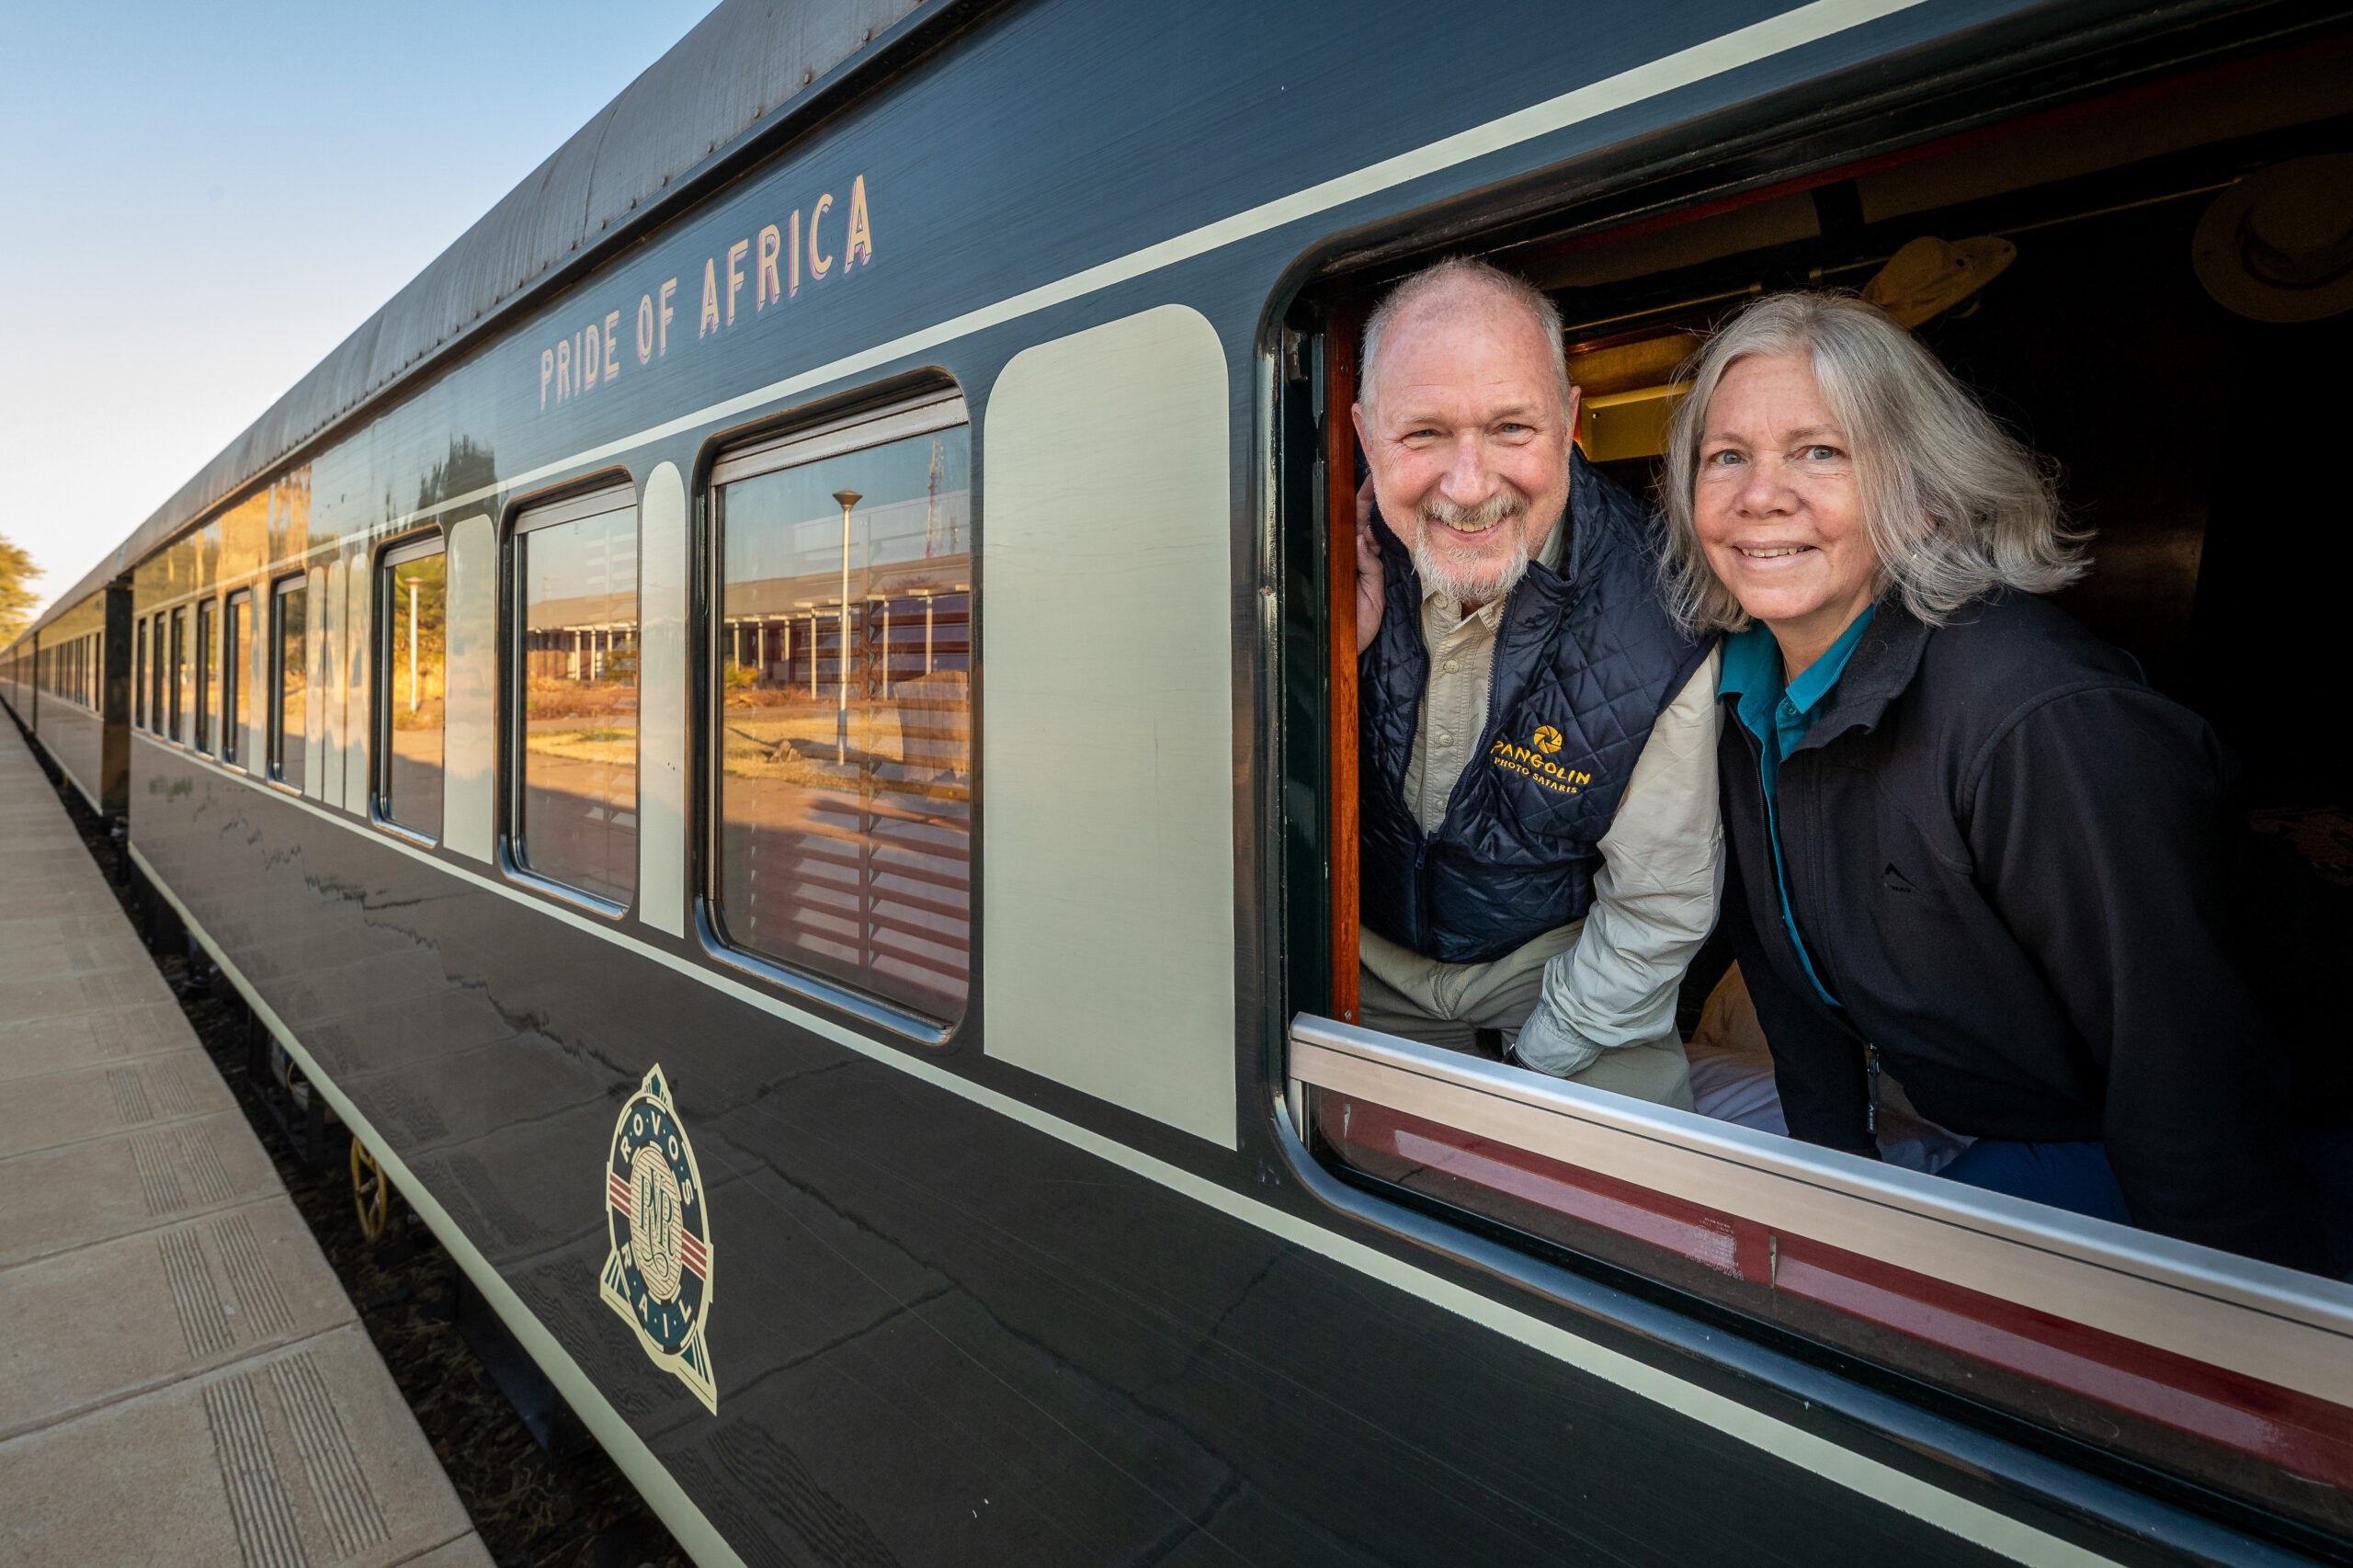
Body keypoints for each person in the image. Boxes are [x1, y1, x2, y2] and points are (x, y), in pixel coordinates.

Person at [1658, 289, 2342, 1271]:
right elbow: (1787, 975)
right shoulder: (1740, 696)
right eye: (1726, 455)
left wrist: (2233, 1365)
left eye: (1821, 450)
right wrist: (1833, 1193)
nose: (1760, 494)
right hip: (2026, 1119)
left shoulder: (2034, 716)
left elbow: (2189, 1080)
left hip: (2252, 1150)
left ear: (1925, 494)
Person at [1350, 258, 1718, 1108]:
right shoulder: (1304, 550)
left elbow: (1657, 912)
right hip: (1358, 957)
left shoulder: (1664, 602)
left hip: (1566, 976)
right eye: (1423, 435)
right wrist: (1331, 650)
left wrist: (1533, 1067)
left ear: (1569, 424)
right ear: (1367, 439)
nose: (1470, 486)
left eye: (1511, 428)